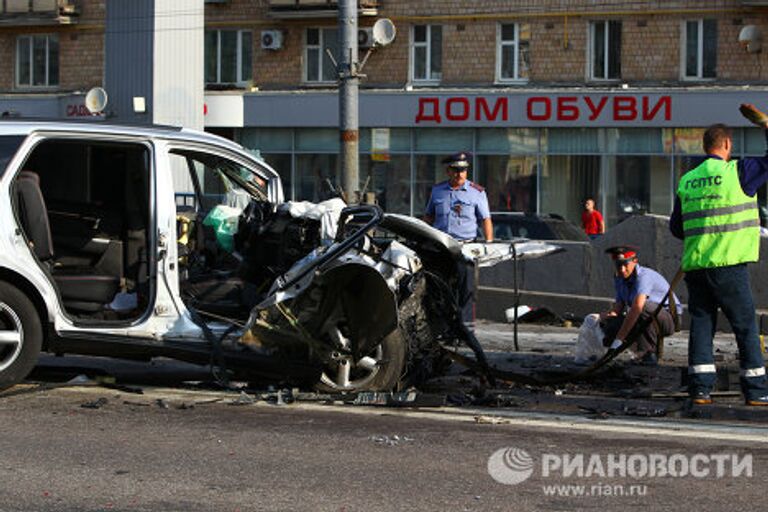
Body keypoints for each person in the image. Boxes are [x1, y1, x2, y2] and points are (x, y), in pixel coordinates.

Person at [669, 104, 768, 406]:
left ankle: (700, 389)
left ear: (705, 145)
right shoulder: (737, 172)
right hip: (728, 265)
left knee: (701, 326)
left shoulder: (688, 180)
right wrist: (766, 124)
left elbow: (677, 227)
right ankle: (757, 390)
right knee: (745, 325)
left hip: (697, 267)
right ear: (726, 145)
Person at [574, 246, 680, 365]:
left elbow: (637, 307)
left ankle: (649, 353)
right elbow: (618, 307)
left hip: (666, 320)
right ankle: (635, 352)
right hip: (642, 316)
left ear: (635, 261)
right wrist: (600, 317)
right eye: (619, 265)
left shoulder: (644, 276)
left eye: (625, 264)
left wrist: (618, 340)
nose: (622, 269)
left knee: (642, 308)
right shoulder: (619, 278)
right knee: (611, 324)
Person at [424, 152, 493, 326]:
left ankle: (466, 326)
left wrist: (489, 243)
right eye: (455, 170)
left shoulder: (476, 192)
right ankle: (442, 325)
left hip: (465, 247)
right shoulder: (438, 191)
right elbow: (429, 217)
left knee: (466, 289)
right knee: (440, 286)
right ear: (448, 171)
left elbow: (486, 219)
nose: (459, 174)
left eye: (463, 170)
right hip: (441, 246)